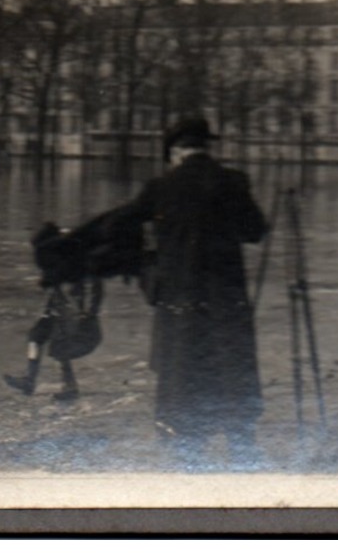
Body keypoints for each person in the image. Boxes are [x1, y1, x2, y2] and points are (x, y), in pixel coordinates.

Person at [114, 117, 267, 467]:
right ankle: (242, 452)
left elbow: (120, 224)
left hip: (180, 305)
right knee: (231, 374)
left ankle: (191, 464)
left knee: (185, 380)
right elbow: (256, 231)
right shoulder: (233, 183)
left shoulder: (161, 188)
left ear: (175, 151)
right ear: (205, 146)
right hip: (227, 302)